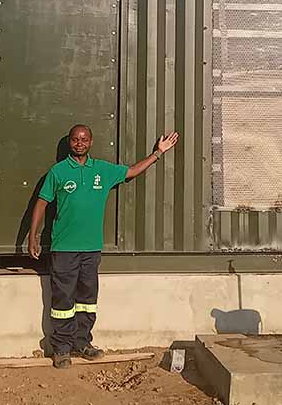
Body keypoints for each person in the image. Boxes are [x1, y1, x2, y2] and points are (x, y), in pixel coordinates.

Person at [28, 124, 179, 369]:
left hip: (91, 249)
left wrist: (158, 153)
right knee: (63, 300)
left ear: (91, 142)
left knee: (87, 299)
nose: (79, 143)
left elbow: (131, 171)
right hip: (64, 248)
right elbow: (41, 203)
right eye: (75, 139)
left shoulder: (103, 170)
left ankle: (82, 343)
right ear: (69, 142)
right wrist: (32, 236)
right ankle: (62, 348)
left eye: (84, 139)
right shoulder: (58, 171)